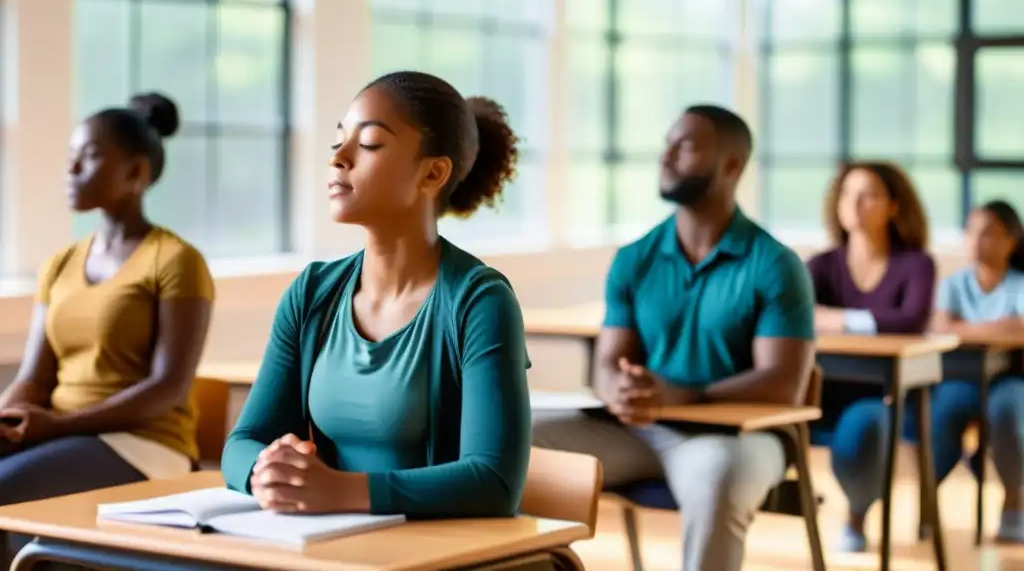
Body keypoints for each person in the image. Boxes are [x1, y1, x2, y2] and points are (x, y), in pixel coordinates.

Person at [221, 71, 531, 521]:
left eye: (367, 144)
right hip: (331, 547)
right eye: (338, 142)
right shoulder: (311, 294)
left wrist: (340, 491)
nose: (339, 159)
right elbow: (243, 441)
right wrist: (265, 473)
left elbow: (494, 483)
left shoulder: (480, 300)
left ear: (432, 172)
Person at [532, 106, 816, 571]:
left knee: (717, 477)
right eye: (667, 143)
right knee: (514, 448)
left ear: (731, 165)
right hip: (638, 430)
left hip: (737, 437)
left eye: (684, 146)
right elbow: (608, 362)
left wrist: (685, 395)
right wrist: (618, 390)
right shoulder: (634, 259)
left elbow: (783, 382)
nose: (665, 156)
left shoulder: (775, 265)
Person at [0, 94, 213, 559]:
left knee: (4, 491)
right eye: (71, 156)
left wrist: (56, 425)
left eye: (90, 156)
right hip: (61, 434)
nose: (71, 169)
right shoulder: (59, 265)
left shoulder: (177, 261)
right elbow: (35, 378)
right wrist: (7, 414)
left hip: (144, 446)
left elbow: (168, 388)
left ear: (136, 173)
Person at [805, 161, 935, 553]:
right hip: (819, 388)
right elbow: (797, 314)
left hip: (881, 391)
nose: (855, 203)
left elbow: (910, 320)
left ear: (894, 206)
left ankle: (857, 514)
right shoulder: (821, 264)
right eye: (847, 193)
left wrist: (837, 319)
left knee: (864, 428)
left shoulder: (916, 264)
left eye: (868, 194)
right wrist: (869, 322)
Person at [931, 199, 1024, 542]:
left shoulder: (1018, 283)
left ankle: (1015, 500)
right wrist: (1002, 327)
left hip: (1010, 378)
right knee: (942, 411)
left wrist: (963, 328)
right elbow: (941, 329)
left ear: (1010, 240)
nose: (976, 241)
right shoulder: (954, 284)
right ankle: (929, 497)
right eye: (971, 232)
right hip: (962, 377)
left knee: (1008, 413)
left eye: (987, 234)